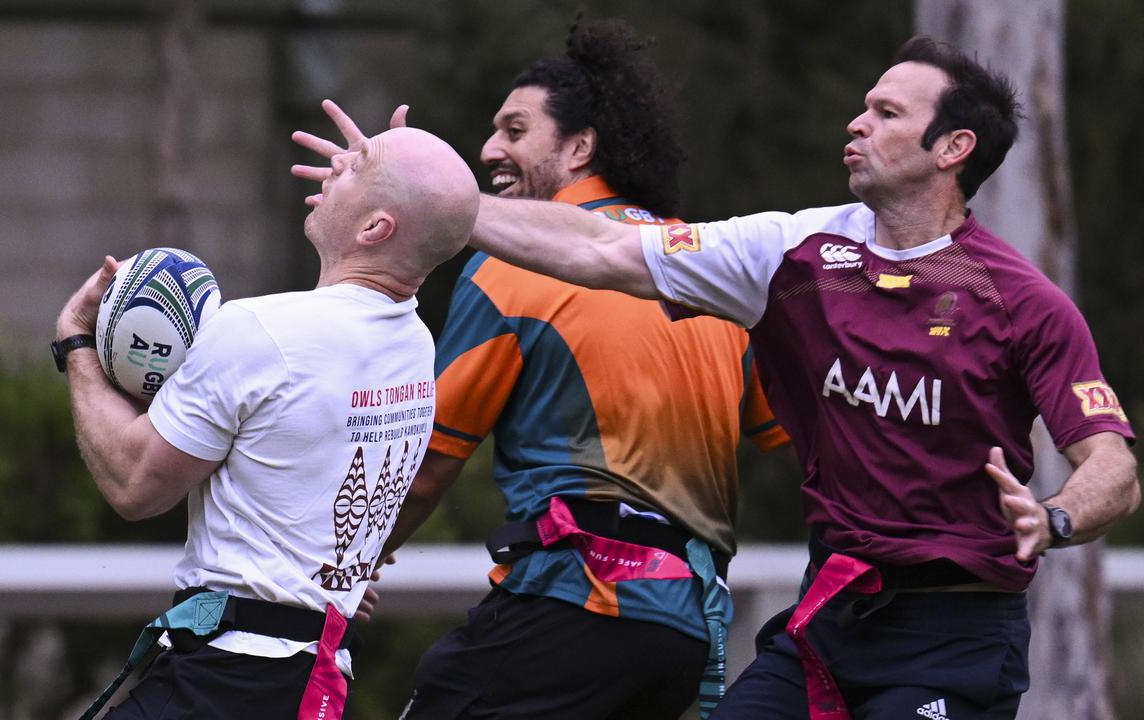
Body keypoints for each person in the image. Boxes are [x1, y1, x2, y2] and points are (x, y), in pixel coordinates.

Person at [301, 36, 1140, 720]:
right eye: (863, 106)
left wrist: (1057, 517)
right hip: (830, 614)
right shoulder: (795, 251)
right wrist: (423, 196)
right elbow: (600, 249)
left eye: (886, 113)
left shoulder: (1024, 303)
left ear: (953, 148)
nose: (857, 123)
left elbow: (1113, 464)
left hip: (954, 631)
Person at [298, 19, 788, 719]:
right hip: (687, 631)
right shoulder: (709, 276)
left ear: (580, 146)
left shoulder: (510, 269)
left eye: (516, 129)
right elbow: (797, 440)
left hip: (579, 602)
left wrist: (336, 570)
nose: (490, 147)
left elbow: (427, 463)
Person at [53, 125, 478, 720]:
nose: (332, 168)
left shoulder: (259, 332)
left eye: (351, 167)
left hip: (227, 681)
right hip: (312, 680)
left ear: (376, 228)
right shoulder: (413, 347)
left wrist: (74, 339)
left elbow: (135, 484)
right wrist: (383, 176)